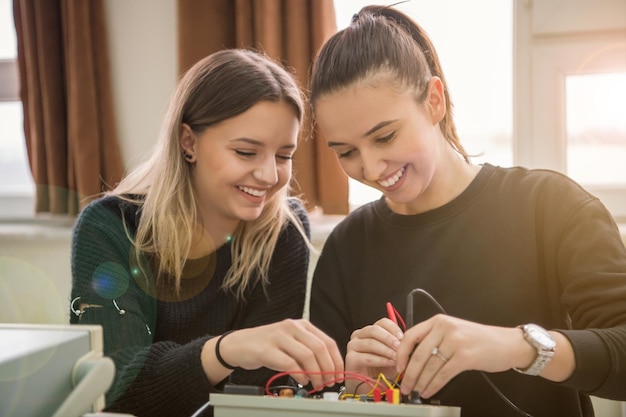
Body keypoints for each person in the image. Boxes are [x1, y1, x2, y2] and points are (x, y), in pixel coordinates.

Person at [308, 5, 626, 417]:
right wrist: (358, 389)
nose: (369, 169)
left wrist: (515, 346)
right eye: (346, 152)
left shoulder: (551, 207)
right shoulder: (346, 248)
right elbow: (317, 401)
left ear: (434, 101)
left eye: (385, 137)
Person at [69, 48, 343, 417]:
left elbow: (260, 392)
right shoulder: (109, 229)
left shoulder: (283, 231)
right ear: (189, 143)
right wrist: (224, 350)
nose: (269, 176)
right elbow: (115, 386)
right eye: (246, 152)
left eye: (283, 155)